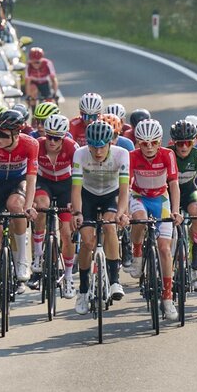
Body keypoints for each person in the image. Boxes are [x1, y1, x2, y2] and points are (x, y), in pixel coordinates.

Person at [0, 109, 39, 317]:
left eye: (3, 135)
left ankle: (22, 259)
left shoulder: (31, 144)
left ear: (16, 133)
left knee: (16, 206)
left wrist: (29, 206)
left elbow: (31, 179)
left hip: (17, 183)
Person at [70, 120, 130, 315]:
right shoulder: (80, 154)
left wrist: (121, 212)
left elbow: (124, 190)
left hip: (111, 195)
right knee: (87, 242)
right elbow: (76, 189)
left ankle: (114, 281)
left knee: (109, 225)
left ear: (110, 143)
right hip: (87, 195)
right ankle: (83, 291)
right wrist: (77, 213)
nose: (97, 152)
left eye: (102, 147)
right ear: (87, 144)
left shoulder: (122, 154)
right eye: (93, 147)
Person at [127, 119, 183, 322]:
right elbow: (127, 184)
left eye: (154, 143)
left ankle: (167, 298)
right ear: (138, 143)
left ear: (160, 142)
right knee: (140, 220)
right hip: (139, 197)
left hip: (161, 199)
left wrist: (175, 211)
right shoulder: (132, 156)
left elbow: (174, 184)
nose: (149, 147)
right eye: (144, 143)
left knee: (165, 249)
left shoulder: (168, 154)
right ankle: (137, 253)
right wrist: (125, 211)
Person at [32, 114, 79, 299]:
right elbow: (30, 174)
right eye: (49, 137)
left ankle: (68, 276)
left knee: (67, 233)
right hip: (44, 183)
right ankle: (38, 254)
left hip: (66, 186)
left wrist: (75, 202)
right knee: (41, 206)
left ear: (64, 137)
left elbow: (79, 178)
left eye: (57, 138)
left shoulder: (72, 148)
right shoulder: (37, 145)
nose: (52, 141)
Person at [167, 120, 197, 277]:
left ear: (194, 141)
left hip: (189, 191)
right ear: (174, 142)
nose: (184, 147)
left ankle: (196, 247)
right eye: (180, 143)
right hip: (169, 193)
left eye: (188, 143)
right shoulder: (168, 154)